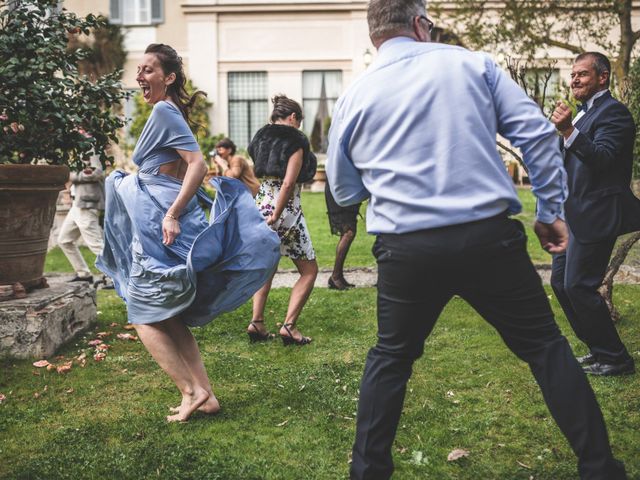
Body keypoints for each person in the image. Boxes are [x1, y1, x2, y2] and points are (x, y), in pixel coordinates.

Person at [326, 1, 627, 479]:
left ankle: (367, 474)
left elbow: (342, 189)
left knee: (391, 357)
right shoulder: (473, 65)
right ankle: (599, 467)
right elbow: (537, 135)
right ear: (422, 24)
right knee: (546, 348)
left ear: (373, 35)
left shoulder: (355, 94)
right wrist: (550, 211)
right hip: (487, 240)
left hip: (407, 248)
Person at [96, 44, 280, 422]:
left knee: (143, 314)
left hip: (159, 223)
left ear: (169, 77)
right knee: (168, 316)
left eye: (148, 70)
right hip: (152, 222)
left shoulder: (164, 110)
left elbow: (196, 164)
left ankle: (191, 390)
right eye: (139, 71)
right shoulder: (168, 111)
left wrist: (173, 214)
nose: (140, 77)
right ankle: (205, 396)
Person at [550, 52, 639, 377]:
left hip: (598, 213)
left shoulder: (614, 113)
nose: (574, 79)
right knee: (561, 283)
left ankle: (617, 359)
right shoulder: (585, 114)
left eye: (582, 74)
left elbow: (602, 159)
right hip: (572, 214)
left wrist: (568, 131)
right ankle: (598, 348)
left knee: (579, 286)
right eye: (573, 75)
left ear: (602, 77)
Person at [247, 95, 318, 345]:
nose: (299, 126)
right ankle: (289, 326)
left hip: (261, 204)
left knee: (268, 265)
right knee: (309, 271)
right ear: (292, 118)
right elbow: (288, 182)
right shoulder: (295, 139)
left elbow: (260, 172)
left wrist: (269, 211)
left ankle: (257, 322)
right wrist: (278, 213)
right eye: (298, 121)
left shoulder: (260, 137)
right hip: (285, 210)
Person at [58, 156, 105, 284]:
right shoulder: (75, 150)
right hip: (76, 205)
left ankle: (115, 276)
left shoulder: (91, 150)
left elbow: (98, 172)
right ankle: (84, 274)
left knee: (96, 244)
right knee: (64, 240)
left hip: (87, 204)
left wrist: (72, 176)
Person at [325, 177, 361, 290]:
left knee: (348, 232)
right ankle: (335, 277)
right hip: (341, 190)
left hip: (344, 189)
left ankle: (338, 276)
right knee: (348, 232)